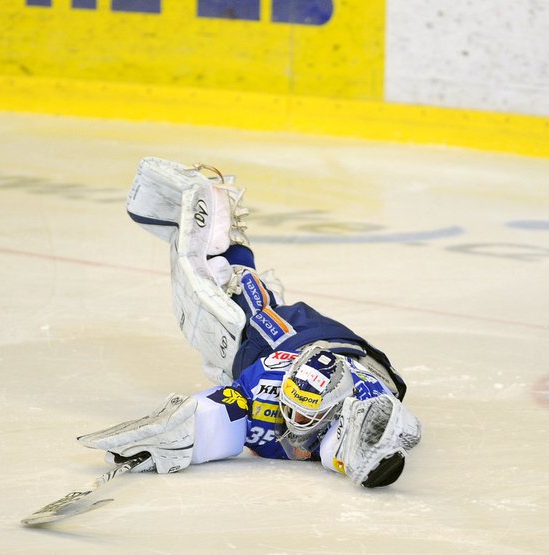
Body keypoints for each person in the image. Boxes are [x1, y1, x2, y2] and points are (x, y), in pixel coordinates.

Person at [77, 158, 422, 487]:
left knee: (233, 323)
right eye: (292, 411)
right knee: (235, 302)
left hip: (351, 359)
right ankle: (218, 211)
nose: (294, 424)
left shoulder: (358, 405)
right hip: (295, 340)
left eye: (303, 417)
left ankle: (226, 236)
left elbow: (398, 436)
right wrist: (173, 433)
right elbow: (224, 407)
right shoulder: (269, 381)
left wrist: (377, 453)